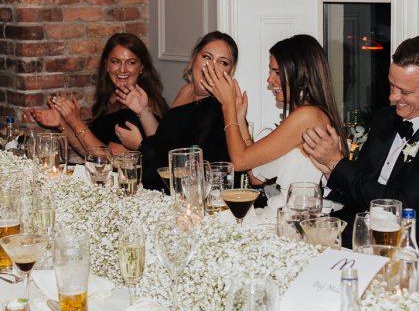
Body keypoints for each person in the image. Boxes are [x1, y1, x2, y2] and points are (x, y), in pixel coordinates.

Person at [302, 36, 419, 281]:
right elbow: (364, 184)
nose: (392, 97)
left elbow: (397, 203)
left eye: (404, 91)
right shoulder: (385, 118)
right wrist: (330, 170)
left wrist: (338, 164)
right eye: (391, 85)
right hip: (367, 246)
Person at [202, 34, 348, 212]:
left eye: (277, 72)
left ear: (301, 73)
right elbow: (255, 175)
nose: (270, 80)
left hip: (298, 219)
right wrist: (240, 119)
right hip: (285, 213)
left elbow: (239, 162)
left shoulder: (308, 116)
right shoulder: (305, 115)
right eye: (270, 71)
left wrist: (228, 106)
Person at [116, 31, 238, 192]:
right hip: (168, 190)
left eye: (222, 62)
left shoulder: (217, 108)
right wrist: (143, 110)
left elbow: (190, 168)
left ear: (229, 72)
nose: (212, 66)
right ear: (195, 57)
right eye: (207, 57)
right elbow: (166, 140)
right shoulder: (186, 90)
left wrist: (140, 144)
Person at [30, 33, 169, 157]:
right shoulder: (112, 97)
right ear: (106, 65)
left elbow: (107, 159)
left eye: (131, 63)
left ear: (142, 68)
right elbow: (88, 150)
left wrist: (76, 122)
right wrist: (62, 124)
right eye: (115, 62)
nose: (122, 69)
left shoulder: (140, 107)